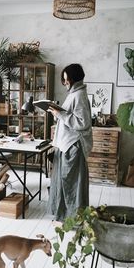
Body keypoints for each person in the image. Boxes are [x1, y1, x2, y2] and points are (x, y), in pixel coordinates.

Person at [47, 63, 93, 223]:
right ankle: (65, 215)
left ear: (74, 79)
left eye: (67, 80)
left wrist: (60, 114)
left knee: (71, 183)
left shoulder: (79, 95)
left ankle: (74, 218)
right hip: (67, 144)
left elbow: (82, 123)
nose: (65, 82)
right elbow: (68, 116)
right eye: (64, 80)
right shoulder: (74, 93)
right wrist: (57, 113)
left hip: (73, 146)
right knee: (65, 182)